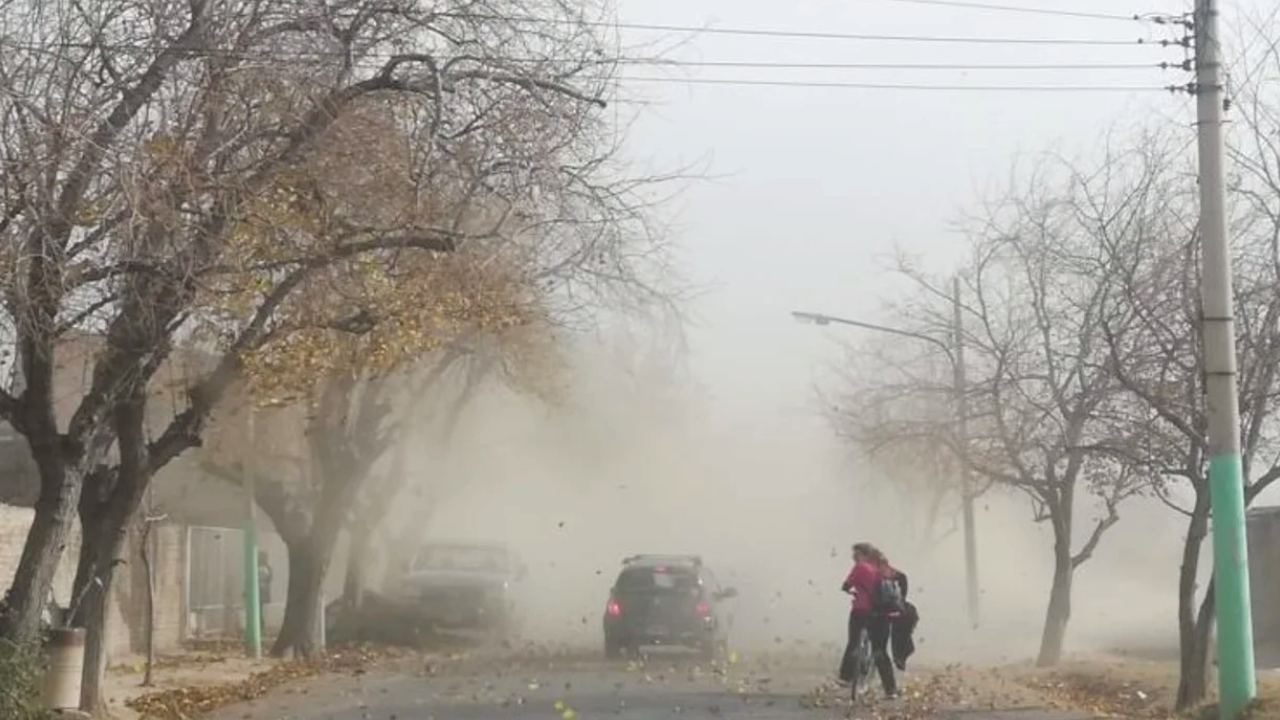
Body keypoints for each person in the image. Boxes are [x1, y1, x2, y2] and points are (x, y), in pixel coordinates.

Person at [837, 542, 900, 699]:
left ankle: (845, 677)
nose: (853, 557)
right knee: (880, 651)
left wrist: (848, 589)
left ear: (864, 554)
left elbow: (846, 585)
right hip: (883, 614)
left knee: (853, 643)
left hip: (862, 611)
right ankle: (890, 689)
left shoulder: (860, 567)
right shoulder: (884, 568)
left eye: (856, 554)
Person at [257, 550, 273, 635]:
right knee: (260, 610)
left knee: (260, 610)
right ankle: (261, 627)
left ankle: (261, 627)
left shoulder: (259, 568)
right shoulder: (268, 568)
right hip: (263, 593)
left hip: (260, 593)